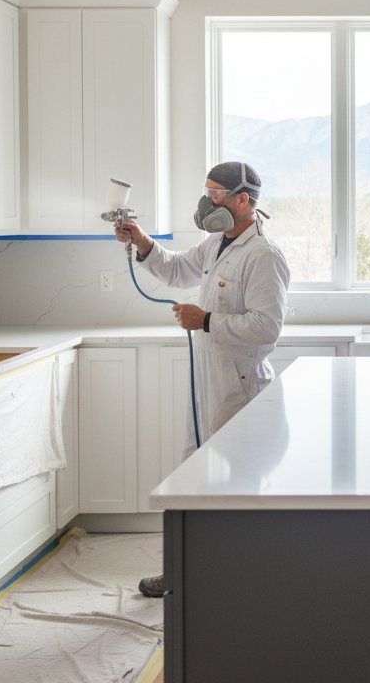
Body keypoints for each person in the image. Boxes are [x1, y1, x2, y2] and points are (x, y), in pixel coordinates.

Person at [114, 161, 291, 599]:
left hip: (240, 392)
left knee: (236, 491)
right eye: (207, 191)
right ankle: (183, 573)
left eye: (215, 194)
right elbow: (178, 271)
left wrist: (205, 319)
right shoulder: (216, 243)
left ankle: (241, 584)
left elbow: (267, 327)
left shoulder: (263, 256)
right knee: (193, 482)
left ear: (243, 200)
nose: (206, 202)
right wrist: (142, 242)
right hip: (207, 387)